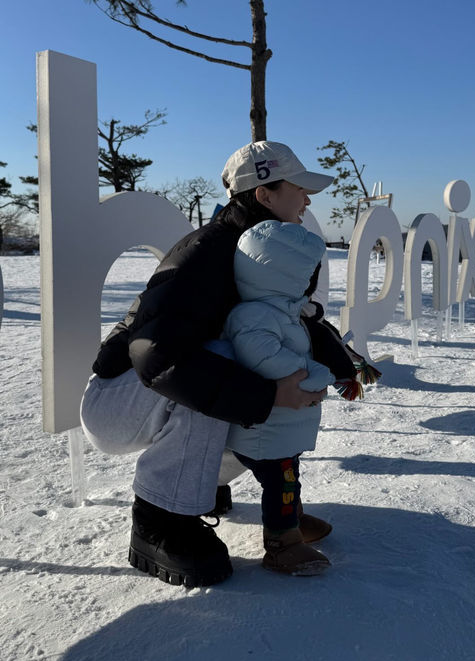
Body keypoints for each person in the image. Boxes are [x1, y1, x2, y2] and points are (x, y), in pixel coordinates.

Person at [80, 141, 335, 588]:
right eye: (298, 188)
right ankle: (159, 521)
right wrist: (270, 393)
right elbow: (156, 356)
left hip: (155, 389)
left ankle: (208, 489)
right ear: (265, 195)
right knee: (225, 363)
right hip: (116, 401)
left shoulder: (264, 255)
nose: (308, 199)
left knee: (259, 367)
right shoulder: (208, 253)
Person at [220, 220, 336, 575]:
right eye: (307, 274)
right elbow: (264, 358)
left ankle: (293, 519)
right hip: (265, 427)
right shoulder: (253, 315)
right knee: (281, 481)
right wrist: (316, 372)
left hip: (281, 426)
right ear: (285, 275)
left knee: (287, 476)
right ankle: (282, 542)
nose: (311, 282)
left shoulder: (282, 311)